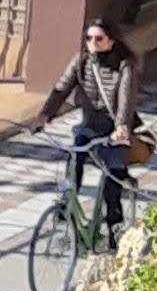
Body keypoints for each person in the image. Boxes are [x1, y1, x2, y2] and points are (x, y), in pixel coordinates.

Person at [38, 19, 144, 235]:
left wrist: (122, 126)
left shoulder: (124, 66)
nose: (92, 43)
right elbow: (61, 88)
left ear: (111, 41)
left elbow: (126, 99)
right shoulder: (81, 62)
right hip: (89, 127)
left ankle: (115, 226)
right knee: (74, 156)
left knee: (112, 178)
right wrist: (45, 115)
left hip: (114, 131)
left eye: (98, 38)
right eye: (89, 38)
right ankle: (68, 203)